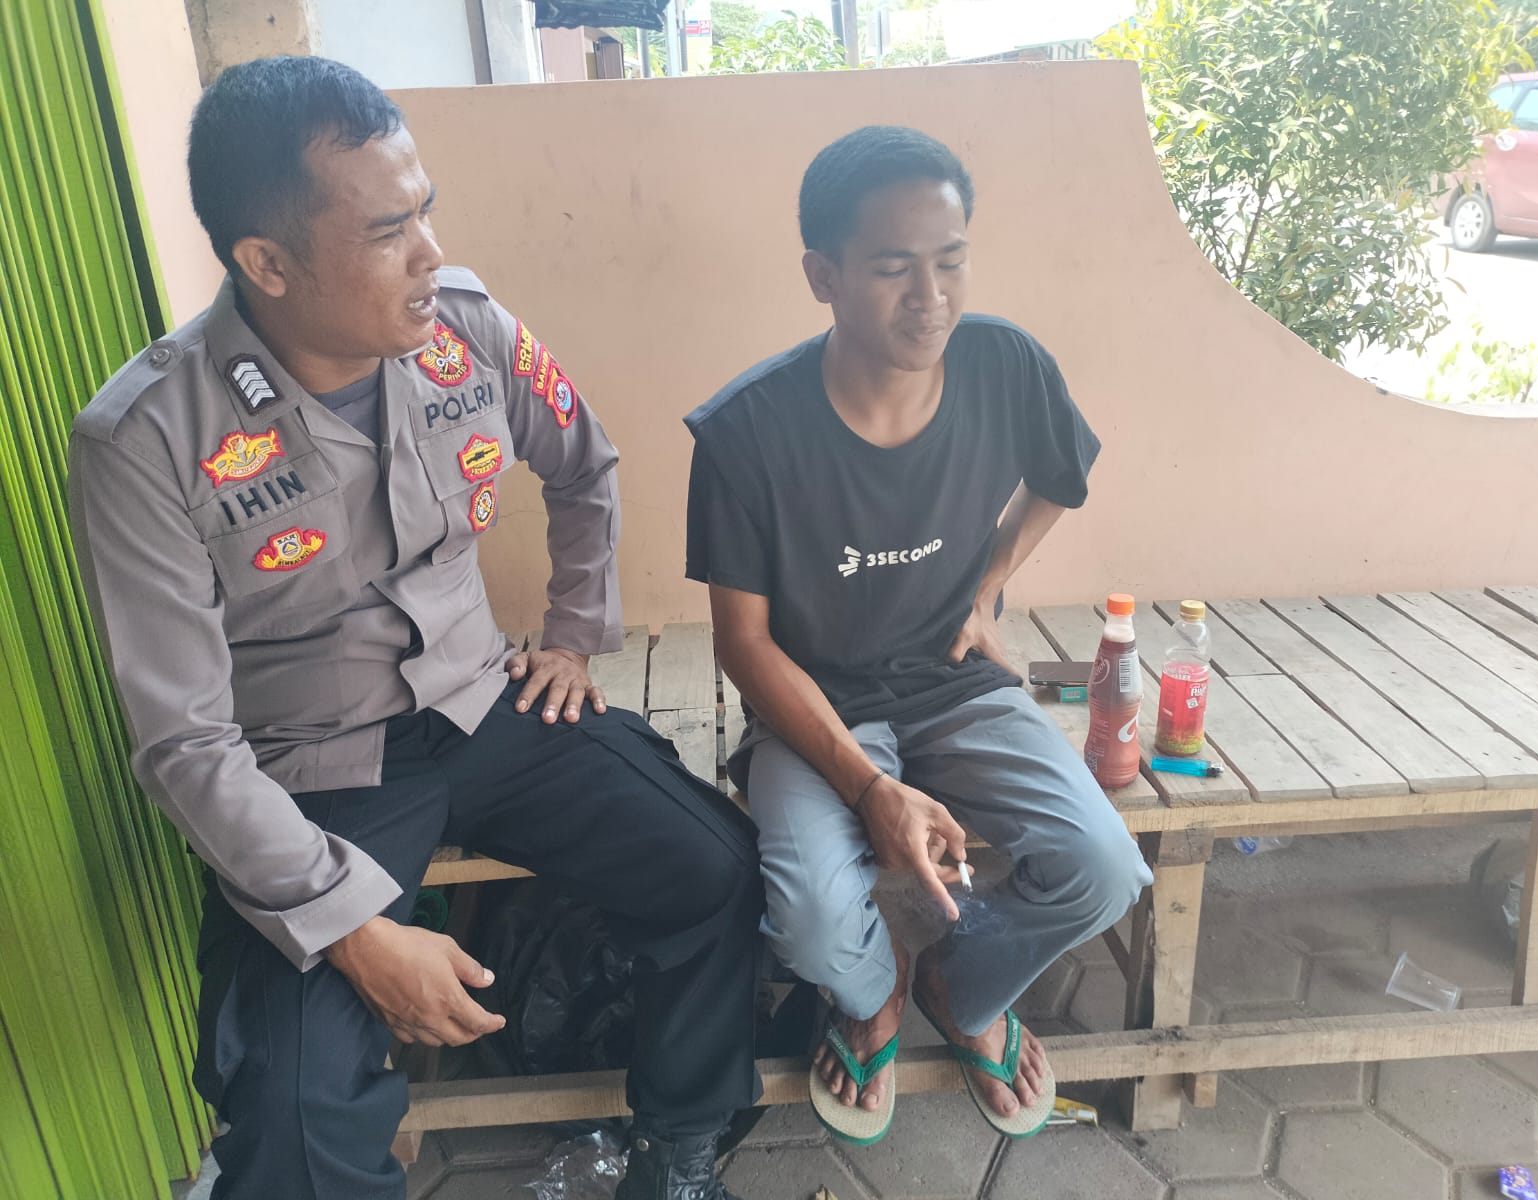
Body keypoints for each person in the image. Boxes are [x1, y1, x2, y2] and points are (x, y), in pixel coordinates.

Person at [69, 56, 759, 1200]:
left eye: (425, 211)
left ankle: (677, 1153)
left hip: (490, 701)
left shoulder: (464, 329)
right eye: (389, 231)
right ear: (267, 263)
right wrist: (355, 932)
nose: (430, 252)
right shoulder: (148, 440)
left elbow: (584, 466)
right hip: (312, 773)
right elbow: (184, 745)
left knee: (716, 867)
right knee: (293, 1111)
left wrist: (572, 635)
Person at [683, 125, 1153, 1144]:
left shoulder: (1004, 364)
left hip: (955, 685)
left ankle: (961, 983)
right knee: (810, 918)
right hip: (812, 704)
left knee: (1105, 867)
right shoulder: (747, 432)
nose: (930, 296)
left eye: (951, 261)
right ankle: (872, 991)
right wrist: (868, 789)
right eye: (894, 267)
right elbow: (743, 645)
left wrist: (986, 588)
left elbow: (1059, 477)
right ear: (824, 275)